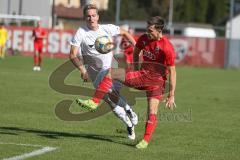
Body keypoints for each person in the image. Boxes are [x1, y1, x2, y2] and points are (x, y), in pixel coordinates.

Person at [76, 16, 177, 149]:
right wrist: (136, 69)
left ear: (159, 30)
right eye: (147, 29)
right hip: (143, 76)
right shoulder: (144, 38)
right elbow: (136, 51)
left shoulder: (167, 47)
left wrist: (171, 94)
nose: (148, 32)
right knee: (112, 73)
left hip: (157, 82)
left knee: (152, 111)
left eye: (151, 30)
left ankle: (145, 141)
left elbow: (173, 71)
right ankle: (94, 102)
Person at [69, 4, 138, 140]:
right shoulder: (81, 32)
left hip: (111, 68)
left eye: (94, 15)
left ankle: (126, 112)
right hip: (94, 74)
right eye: (88, 16)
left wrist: (136, 46)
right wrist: (82, 70)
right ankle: (129, 121)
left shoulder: (107, 28)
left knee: (113, 94)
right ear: (85, 17)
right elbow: (72, 54)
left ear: (98, 17)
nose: (91, 18)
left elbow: (124, 32)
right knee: (112, 101)